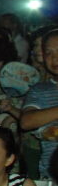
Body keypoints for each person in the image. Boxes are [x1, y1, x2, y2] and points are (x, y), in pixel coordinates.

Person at [21, 28, 58, 178]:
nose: (55, 58)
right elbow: (26, 122)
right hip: (52, 176)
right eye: (48, 53)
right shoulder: (40, 90)